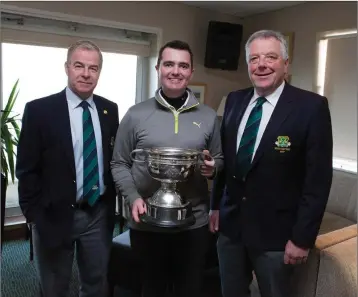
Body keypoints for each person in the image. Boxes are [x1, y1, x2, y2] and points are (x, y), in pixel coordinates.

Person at [209, 30, 333, 297]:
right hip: (230, 229)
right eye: (254, 59)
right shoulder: (234, 100)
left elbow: (318, 181)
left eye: (270, 57)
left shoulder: (311, 107)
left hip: (277, 237)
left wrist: (302, 238)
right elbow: (228, 162)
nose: (261, 64)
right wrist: (216, 207)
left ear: (286, 64)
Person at [111, 40, 223, 297]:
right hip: (147, 220)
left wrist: (212, 168)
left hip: (193, 222)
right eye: (169, 64)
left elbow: (218, 159)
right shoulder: (135, 115)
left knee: (190, 288)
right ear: (158, 68)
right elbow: (119, 162)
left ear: (191, 72)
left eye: (183, 65)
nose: (176, 71)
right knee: (152, 288)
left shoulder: (207, 116)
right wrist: (134, 197)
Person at [16, 40, 119, 297]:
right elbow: (26, 169)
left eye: (93, 68)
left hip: (97, 214)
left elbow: (111, 159)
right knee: (54, 287)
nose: (86, 73)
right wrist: (33, 215)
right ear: (67, 68)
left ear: (99, 72)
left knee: (97, 283)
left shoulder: (109, 110)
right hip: (54, 215)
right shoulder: (40, 110)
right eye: (79, 66)